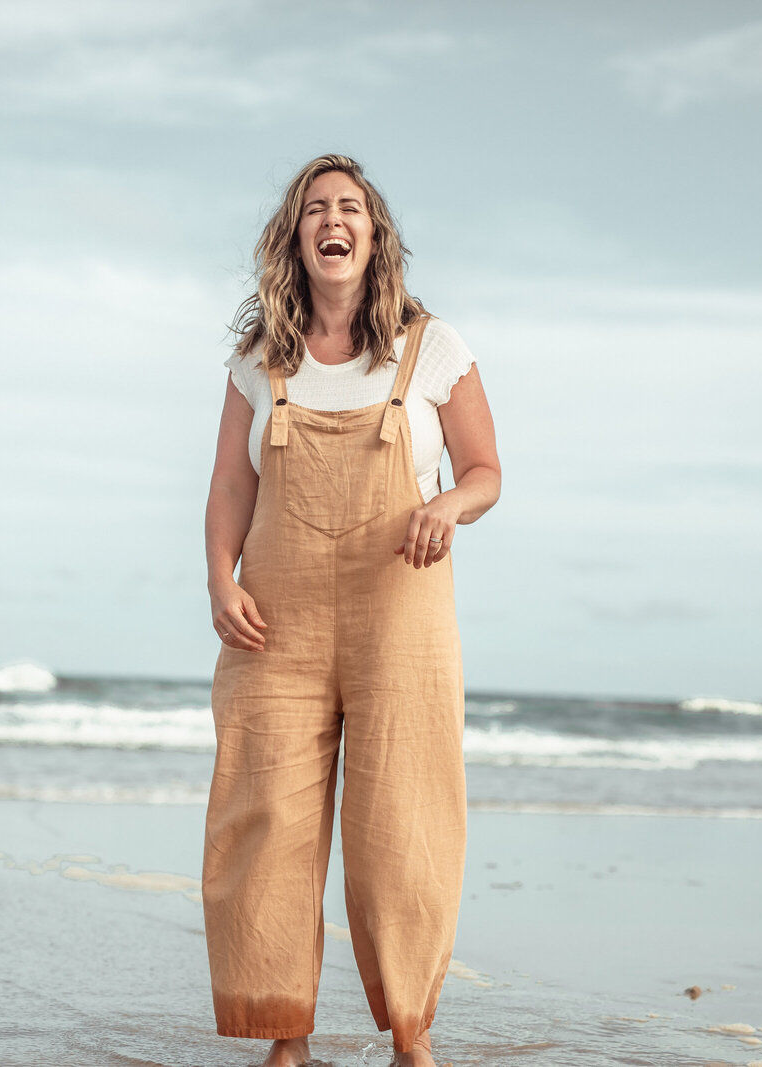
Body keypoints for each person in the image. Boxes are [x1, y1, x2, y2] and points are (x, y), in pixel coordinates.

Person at [202, 153, 501, 1067]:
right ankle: (284, 1036)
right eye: (316, 209)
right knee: (268, 822)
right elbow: (228, 490)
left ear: (375, 237)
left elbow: (485, 471)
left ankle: (412, 1036)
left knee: (403, 828)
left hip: (400, 626)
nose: (334, 220)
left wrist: (446, 506)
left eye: (351, 208)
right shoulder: (260, 365)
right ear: (296, 237)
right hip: (275, 628)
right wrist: (221, 578)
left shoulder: (430, 348)